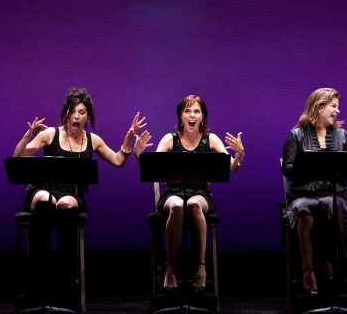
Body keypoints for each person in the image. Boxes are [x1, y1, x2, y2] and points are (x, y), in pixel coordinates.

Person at [13, 87, 147, 300]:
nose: (76, 116)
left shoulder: (93, 140)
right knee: (42, 199)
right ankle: (37, 272)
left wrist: (128, 141)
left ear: (88, 117)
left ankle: (66, 276)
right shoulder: (50, 134)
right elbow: (18, 158)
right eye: (73, 111)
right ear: (66, 112)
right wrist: (27, 136)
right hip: (44, 190)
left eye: (82, 112)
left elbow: (118, 161)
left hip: (71, 194)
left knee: (66, 204)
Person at [135, 94, 244, 294]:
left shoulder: (211, 139)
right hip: (172, 193)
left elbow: (232, 168)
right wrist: (138, 154)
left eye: (196, 111)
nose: (192, 115)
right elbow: (152, 169)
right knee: (177, 205)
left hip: (200, 194)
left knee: (193, 203)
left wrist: (239, 155)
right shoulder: (170, 139)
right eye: (187, 111)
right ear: (181, 116)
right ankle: (170, 268)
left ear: (203, 116)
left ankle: (201, 267)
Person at [281, 87, 347, 296]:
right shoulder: (296, 134)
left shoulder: (342, 135)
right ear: (319, 107)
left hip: (334, 194)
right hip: (304, 194)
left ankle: (332, 266)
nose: (337, 111)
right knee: (305, 210)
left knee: (334, 207)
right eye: (333, 106)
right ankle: (308, 270)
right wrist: (310, 165)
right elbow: (287, 167)